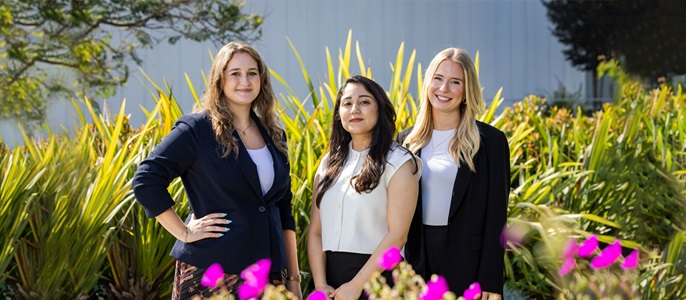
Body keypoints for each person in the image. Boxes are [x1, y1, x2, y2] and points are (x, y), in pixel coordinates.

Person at [132, 41, 302, 300]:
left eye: (252, 73)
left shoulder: (274, 135)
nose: (244, 80)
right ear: (219, 80)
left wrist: (293, 277)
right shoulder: (197, 129)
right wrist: (184, 232)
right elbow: (146, 179)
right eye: (235, 73)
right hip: (213, 273)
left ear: (262, 79)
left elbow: (283, 210)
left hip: (268, 275)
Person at [397, 48, 510, 299]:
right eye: (438, 78)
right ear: (428, 83)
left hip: (466, 259)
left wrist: (490, 280)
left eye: (455, 82)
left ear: (466, 90)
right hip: (417, 255)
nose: (444, 88)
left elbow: (497, 216)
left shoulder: (490, 142)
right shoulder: (406, 141)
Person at [307, 75, 422, 300]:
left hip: (379, 283)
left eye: (364, 102)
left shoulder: (399, 162)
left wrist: (357, 285)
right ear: (339, 114)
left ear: (380, 108)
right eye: (347, 103)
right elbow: (315, 231)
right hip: (332, 286)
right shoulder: (328, 163)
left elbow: (398, 236)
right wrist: (320, 284)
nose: (355, 109)